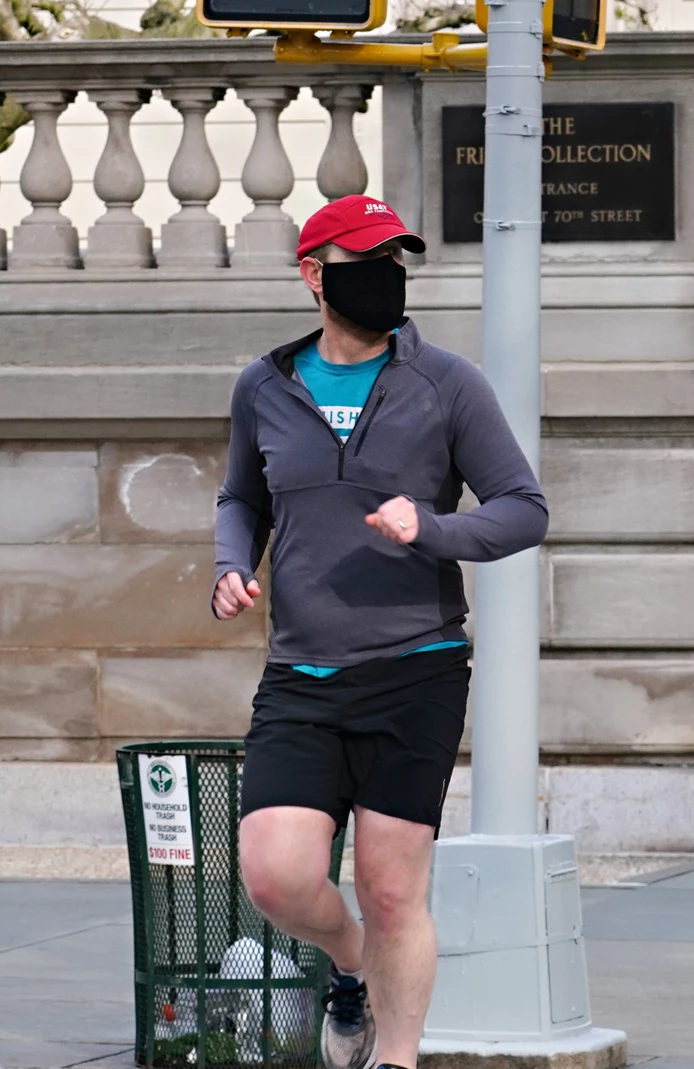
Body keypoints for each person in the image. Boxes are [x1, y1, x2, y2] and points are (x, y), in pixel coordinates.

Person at [210, 194, 548, 1069]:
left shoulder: (447, 384)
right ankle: (351, 960)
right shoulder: (264, 386)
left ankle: (396, 1057)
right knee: (276, 875)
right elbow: (242, 496)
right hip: (301, 672)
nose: (388, 277)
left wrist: (429, 528)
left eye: (397, 262)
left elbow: (523, 508)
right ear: (314, 275)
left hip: (416, 669)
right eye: (367, 263)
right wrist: (230, 565)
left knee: (394, 890)